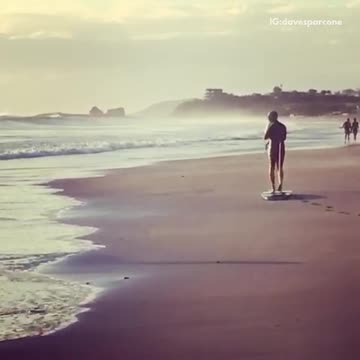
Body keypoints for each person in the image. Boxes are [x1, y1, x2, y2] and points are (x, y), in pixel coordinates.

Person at [264, 111, 287, 193]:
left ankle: (273, 187)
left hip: (272, 148)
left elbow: (265, 137)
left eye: (269, 117)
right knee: (280, 167)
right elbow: (284, 137)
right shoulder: (283, 126)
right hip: (281, 147)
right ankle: (280, 185)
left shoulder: (271, 126)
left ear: (273, 117)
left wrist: (269, 127)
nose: (268, 118)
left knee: (272, 167)